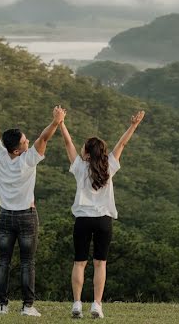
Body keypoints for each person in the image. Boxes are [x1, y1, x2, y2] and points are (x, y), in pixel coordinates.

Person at [0, 82, 66, 317]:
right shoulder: (27, 160)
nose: (28, 142)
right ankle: (27, 306)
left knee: (3, 261)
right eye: (24, 142)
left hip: (5, 216)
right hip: (26, 216)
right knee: (27, 263)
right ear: (17, 150)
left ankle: (2, 305)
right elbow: (44, 138)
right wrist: (56, 121)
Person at [57, 109, 145, 319]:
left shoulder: (79, 167)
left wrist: (61, 124)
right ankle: (97, 304)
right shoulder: (109, 166)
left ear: (86, 152)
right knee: (100, 263)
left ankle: (77, 303)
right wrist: (133, 125)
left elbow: (68, 144)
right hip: (104, 221)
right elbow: (121, 144)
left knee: (79, 262)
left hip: (83, 220)